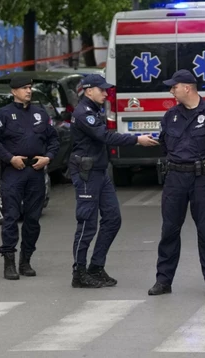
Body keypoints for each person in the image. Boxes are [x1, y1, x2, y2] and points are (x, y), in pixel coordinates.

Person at [148, 70, 205, 297]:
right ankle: (163, 280)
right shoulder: (171, 116)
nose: (171, 91)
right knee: (169, 230)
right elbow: (165, 144)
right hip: (175, 178)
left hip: (201, 179)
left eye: (174, 87)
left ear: (187, 88)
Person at [69, 74, 158, 288]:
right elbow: (105, 137)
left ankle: (96, 267)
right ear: (89, 90)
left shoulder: (94, 110)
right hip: (87, 173)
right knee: (87, 224)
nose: (106, 93)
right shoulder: (84, 113)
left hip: (99, 171)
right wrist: (137, 139)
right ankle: (79, 273)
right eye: (102, 89)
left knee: (112, 219)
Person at [0, 76, 60, 280]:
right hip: (13, 171)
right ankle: (9, 260)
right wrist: (10, 158)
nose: (28, 91)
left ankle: (26, 260)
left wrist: (48, 158)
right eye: (24, 88)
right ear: (14, 91)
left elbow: (54, 139)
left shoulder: (40, 114)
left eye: (30, 87)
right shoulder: (4, 114)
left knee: (33, 219)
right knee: (11, 216)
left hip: (35, 171)